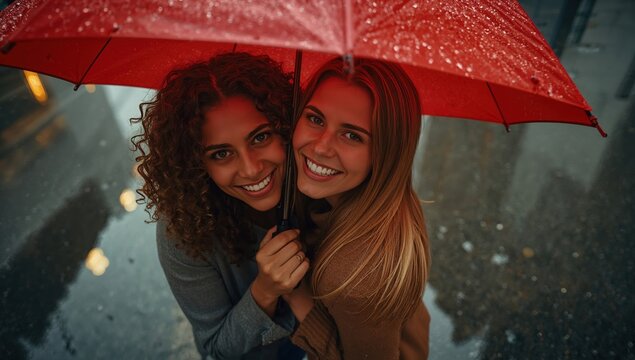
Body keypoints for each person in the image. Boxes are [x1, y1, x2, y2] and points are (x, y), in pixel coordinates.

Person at [131, 52, 308, 360]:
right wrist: (265, 291)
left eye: (261, 137)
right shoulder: (182, 231)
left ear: (286, 127)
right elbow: (216, 347)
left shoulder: (320, 183)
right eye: (221, 154)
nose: (251, 169)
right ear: (196, 164)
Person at [284, 57, 431, 359]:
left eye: (352, 135)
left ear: (385, 152)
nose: (321, 147)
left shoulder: (354, 280)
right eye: (315, 119)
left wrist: (296, 296)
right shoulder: (391, 195)